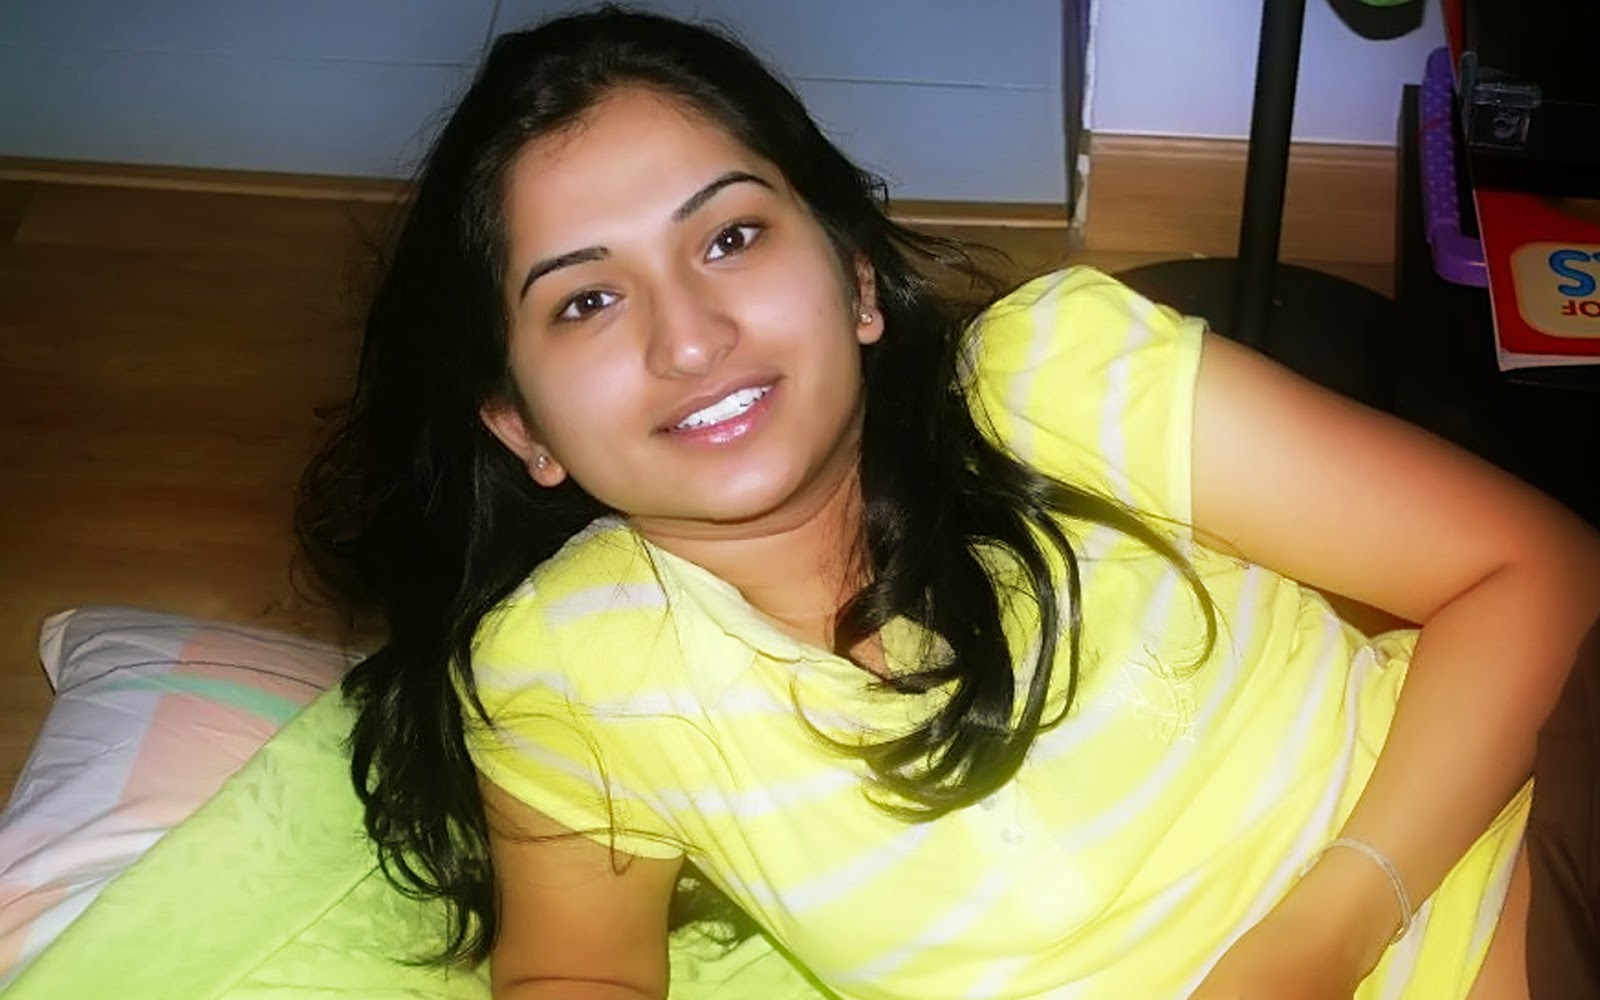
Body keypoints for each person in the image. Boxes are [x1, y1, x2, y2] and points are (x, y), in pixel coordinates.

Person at [295, 6, 1600, 999]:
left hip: (1522, 876)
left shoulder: (1054, 378)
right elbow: (578, 971)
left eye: (731, 237)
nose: (687, 337)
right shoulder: (566, 674)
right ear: (522, 425)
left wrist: (1317, 942)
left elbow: (1540, 570)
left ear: (858, 277)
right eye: (586, 300)